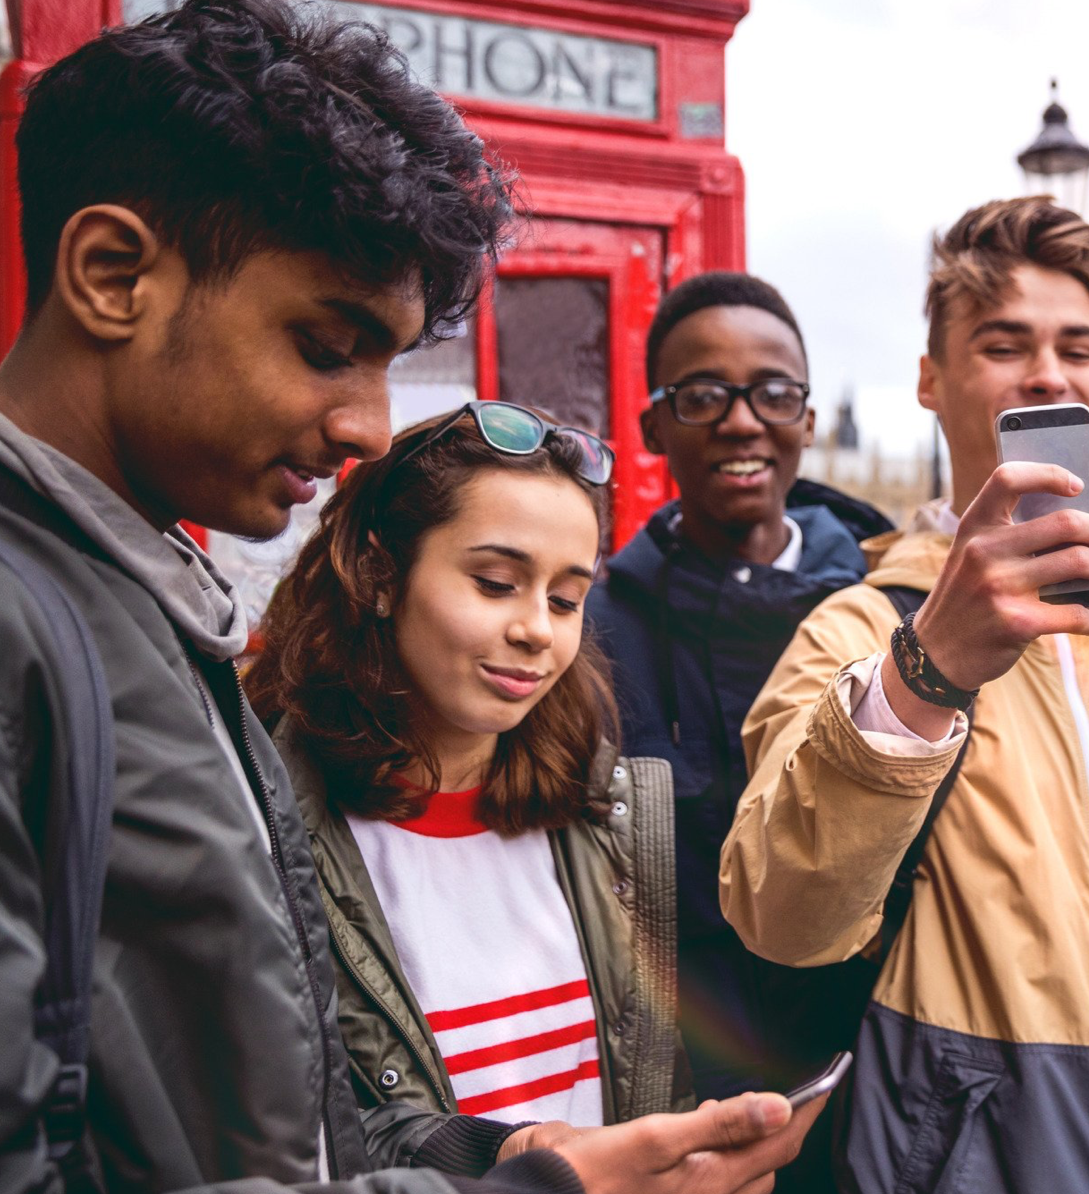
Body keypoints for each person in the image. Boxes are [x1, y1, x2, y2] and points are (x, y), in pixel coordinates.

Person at [0, 3, 813, 1192]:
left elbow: (289, 1125)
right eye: (327, 346)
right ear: (113, 274)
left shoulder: (150, 614)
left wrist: (499, 1156)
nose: (368, 427)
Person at [718, 196, 1089, 1193]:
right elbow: (782, 916)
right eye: (1004, 344)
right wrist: (928, 671)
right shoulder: (855, 636)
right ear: (929, 379)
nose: (1048, 372)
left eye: (1077, 348)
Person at [247, 403, 693, 1160]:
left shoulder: (603, 818)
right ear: (379, 575)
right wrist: (500, 1161)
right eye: (495, 583)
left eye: (565, 599)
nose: (537, 631)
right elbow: (279, 1136)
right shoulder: (268, 824)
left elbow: (650, 1083)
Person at [585, 273, 893, 1103]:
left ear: (810, 417)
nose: (742, 420)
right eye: (704, 395)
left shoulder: (899, 616)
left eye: (772, 392)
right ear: (653, 423)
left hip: (881, 1089)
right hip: (679, 1094)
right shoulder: (587, 633)